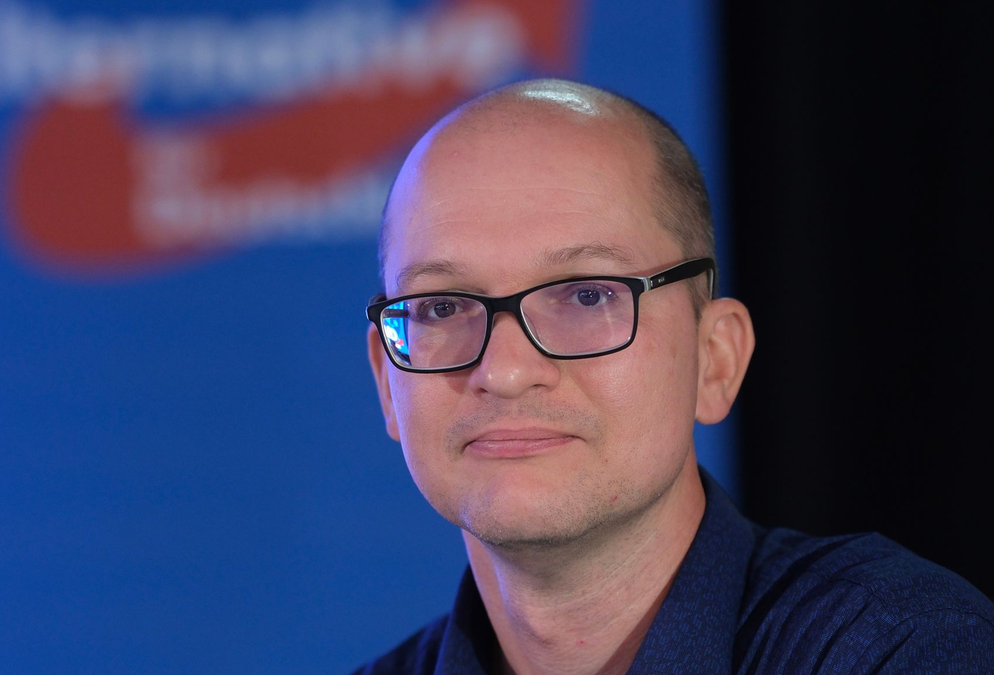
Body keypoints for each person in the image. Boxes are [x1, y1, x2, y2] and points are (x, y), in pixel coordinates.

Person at [355, 79, 994, 674]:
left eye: (585, 297)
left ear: (714, 360)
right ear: (388, 382)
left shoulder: (899, 647)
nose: (507, 370)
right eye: (443, 307)